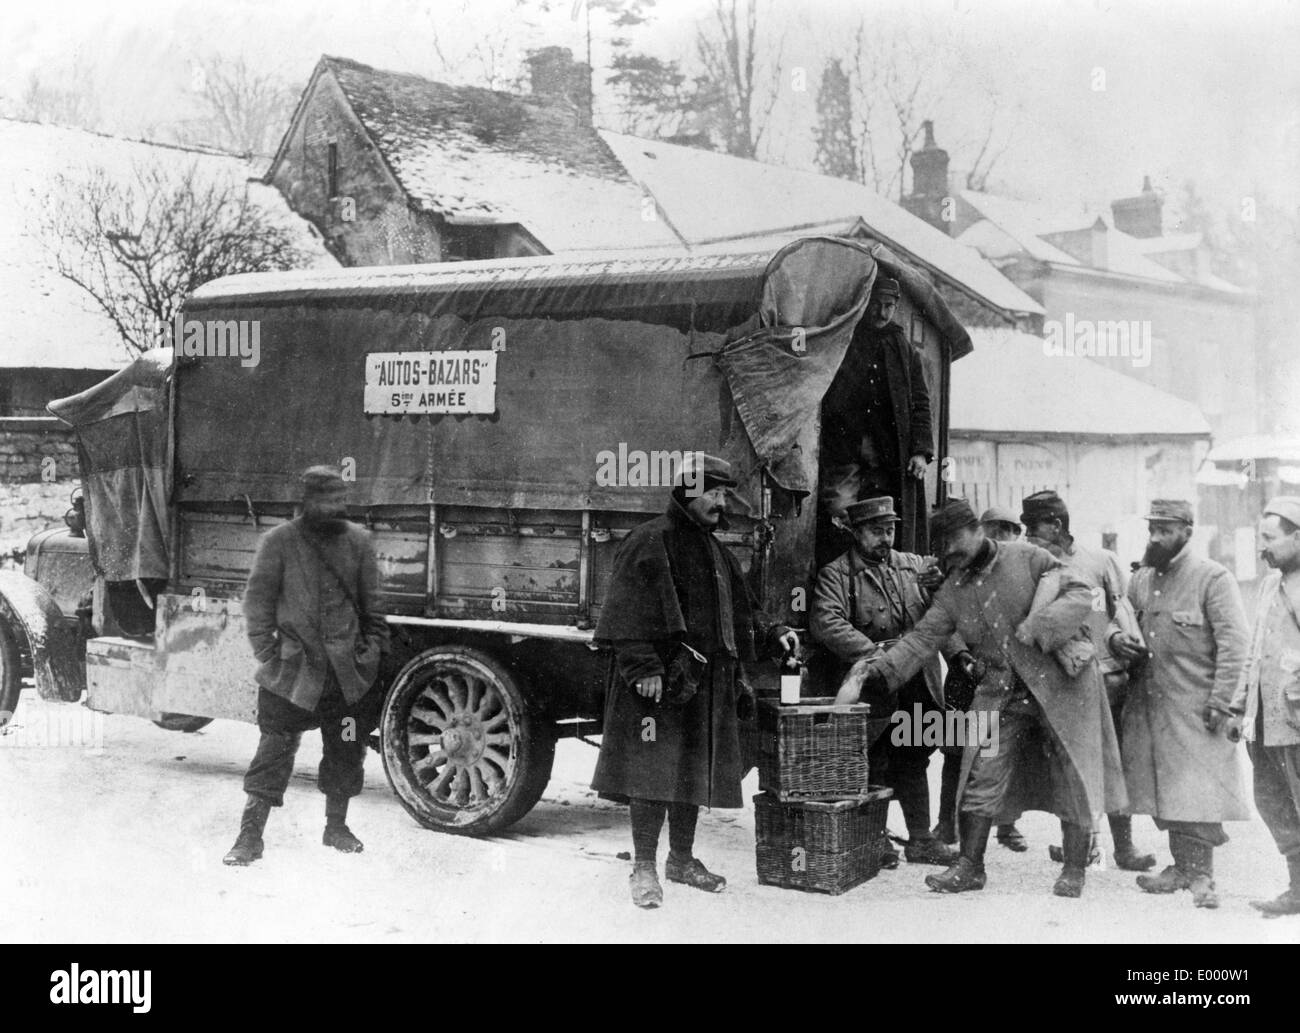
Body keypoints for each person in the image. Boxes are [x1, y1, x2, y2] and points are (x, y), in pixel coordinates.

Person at [843, 499, 1127, 896]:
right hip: (1002, 693)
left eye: (955, 540)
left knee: (1071, 773)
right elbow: (924, 638)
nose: (950, 552)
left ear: (977, 530)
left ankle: (1074, 871)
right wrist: (878, 672)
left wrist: (1042, 627)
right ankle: (970, 867)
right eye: (942, 546)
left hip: (1062, 687)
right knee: (980, 771)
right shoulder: (952, 592)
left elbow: (1080, 592)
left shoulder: (1028, 556)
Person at [591, 454, 798, 909]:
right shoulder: (649, 541)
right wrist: (643, 668)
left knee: (691, 768)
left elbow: (745, 611)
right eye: (715, 492)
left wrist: (775, 631)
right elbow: (623, 610)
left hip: (705, 683)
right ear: (688, 489)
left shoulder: (717, 551)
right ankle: (644, 865)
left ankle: (681, 860)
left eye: (725, 493)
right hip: (660, 682)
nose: (722, 503)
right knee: (651, 772)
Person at [223, 465, 389, 866]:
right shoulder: (279, 542)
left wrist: (368, 653)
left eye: (339, 499)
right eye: (326, 500)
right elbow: (257, 602)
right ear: (307, 502)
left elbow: (375, 607)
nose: (335, 507)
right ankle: (250, 836)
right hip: (292, 674)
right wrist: (267, 653)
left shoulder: (359, 543)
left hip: (347, 677)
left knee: (347, 746)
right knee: (274, 747)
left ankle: (337, 828)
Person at [810, 496, 968, 867]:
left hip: (917, 682)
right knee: (872, 760)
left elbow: (941, 615)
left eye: (890, 530)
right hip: (874, 684)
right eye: (876, 531)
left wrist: (958, 654)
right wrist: (875, 657)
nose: (885, 538)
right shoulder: (837, 574)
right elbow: (827, 622)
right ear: (856, 532)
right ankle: (873, 838)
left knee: (914, 757)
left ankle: (921, 840)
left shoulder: (915, 567)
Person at [1109, 499, 1250, 909]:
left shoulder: (1213, 578)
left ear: (1187, 530)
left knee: (1198, 791)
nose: (1155, 536)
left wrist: (1223, 701)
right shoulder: (1142, 578)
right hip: (1149, 706)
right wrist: (1116, 641)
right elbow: (1119, 624)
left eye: (1165, 529)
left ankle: (1202, 875)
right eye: (1152, 528)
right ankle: (1181, 868)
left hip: (1196, 707)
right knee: (1164, 791)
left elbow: (1235, 646)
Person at [1021, 489, 1155, 872]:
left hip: (1109, 678)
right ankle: (1081, 846)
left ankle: (1124, 849)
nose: (1028, 535)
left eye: (1034, 527)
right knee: (1071, 767)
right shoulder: (1035, 566)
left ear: (1056, 525)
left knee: (1112, 764)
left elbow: (1122, 610)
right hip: (1060, 683)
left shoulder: (1101, 561)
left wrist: (1125, 646)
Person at [818, 276, 934, 562]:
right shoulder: (846, 340)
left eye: (890, 306)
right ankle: (843, 578)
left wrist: (920, 451)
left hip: (889, 453)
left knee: (885, 522)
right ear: (866, 303)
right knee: (840, 515)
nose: (883, 313)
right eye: (877, 305)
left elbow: (921, 402)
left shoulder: (904, 350)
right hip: (846, 448)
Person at [939, 505, 1029, 852]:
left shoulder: (1020, 572)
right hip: (965, 675)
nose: (1001, 535)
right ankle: (946, 825)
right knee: (954, 752)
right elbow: (943, 617)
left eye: (1008, 529)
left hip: (1005, 677)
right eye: (994, 528)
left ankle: (1007, 826)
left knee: (1004, 752)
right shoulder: (959, 568)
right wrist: (960, 654)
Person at [1229, 496, 1300, 916]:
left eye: (1270, 539)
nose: (1262, 548)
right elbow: (1254, 651)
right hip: (1266, 720)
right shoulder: (1271, 583)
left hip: (1296, 719)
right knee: (1273, 801)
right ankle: (1298, 887)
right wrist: (1239, 708)